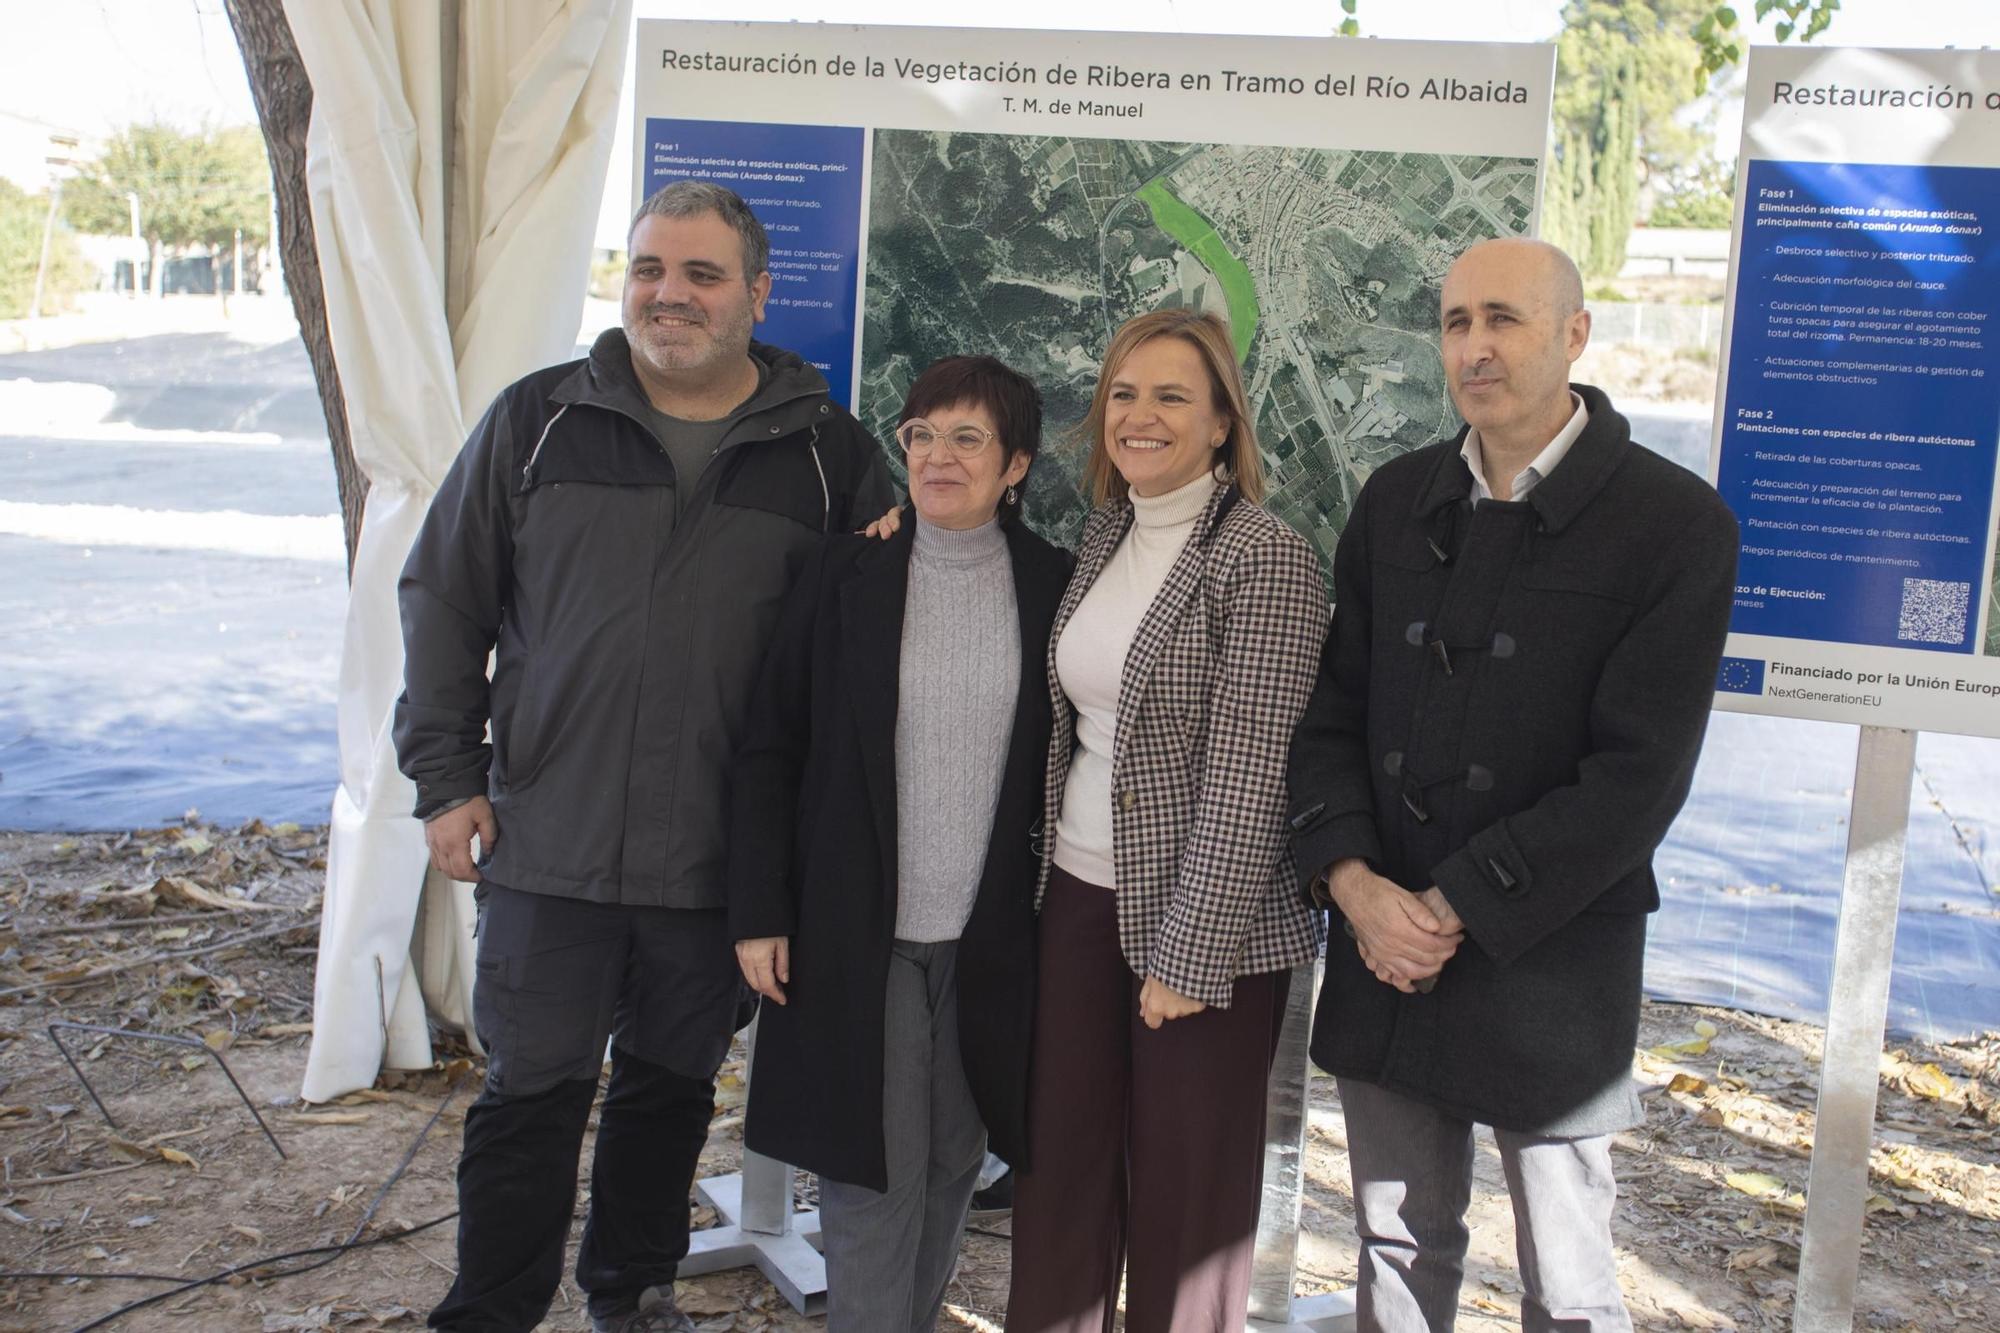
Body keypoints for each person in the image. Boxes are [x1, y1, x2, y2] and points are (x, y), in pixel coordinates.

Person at [393, 179, 894, 1333]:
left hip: (716, 861)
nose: (668, 295)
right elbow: (442, 601)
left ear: (756, 295)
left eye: (700, 274)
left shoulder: (826, 455)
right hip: (543, 839)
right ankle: (492, 1309)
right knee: (530, 1094)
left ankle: (629, 1292)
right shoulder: (539, 420)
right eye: (648, 270)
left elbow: (861, 650)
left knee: (667, 1093)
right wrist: (447, 778)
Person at [1286, 237, 1739, 1332]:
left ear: (1575, 335)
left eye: (1503, 319)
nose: (1473, 348)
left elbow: (1637, 777)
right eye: (1453, 323)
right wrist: (1352, 885)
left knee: (1566, 1280)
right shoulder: (1395, 500)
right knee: (1395, 1248)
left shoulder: (1676, 526)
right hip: (1383, 944)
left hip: (1550, 956)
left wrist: (1452, 904)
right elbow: (1330, 713)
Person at [727, 355, 1071, 1332]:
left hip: (993, 941)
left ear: (1014, 466)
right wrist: (758, 909)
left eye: (968, 438)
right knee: (870, 1172)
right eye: (921, 434)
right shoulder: (842, 573)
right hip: (855, 933)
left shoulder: (1054, 586)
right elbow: (769, 746)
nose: (937, 456)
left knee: (953, 1159)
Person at [1004, 309, 1331, 1333]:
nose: (1138, 416)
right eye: (1122, 393)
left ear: (1224, 422)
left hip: (1209, 933)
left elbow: (1251, 773)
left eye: (1171, 397)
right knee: (1060, 1172)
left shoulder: (1265, 559)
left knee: (1189, 1205)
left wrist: (1186, 957)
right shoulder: (1106, 533)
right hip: (1074, 897)